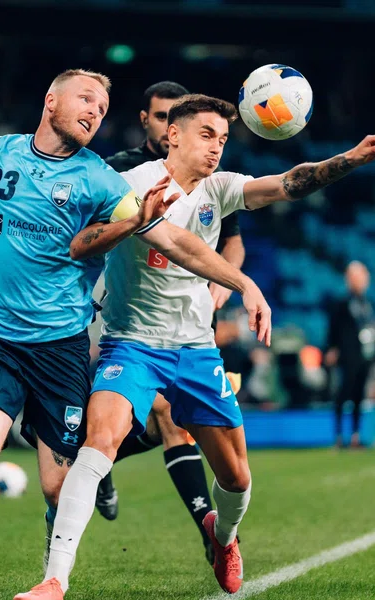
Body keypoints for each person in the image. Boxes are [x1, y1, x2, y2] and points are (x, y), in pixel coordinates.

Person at [0, 70, 272, 600]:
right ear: (51, 101)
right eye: (86, 99)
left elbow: (174, 241)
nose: (95, 110)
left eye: (103, 106)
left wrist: (240, 282)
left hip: (62, 348)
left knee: (56, 486)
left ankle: (53, 569)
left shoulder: (102, 180)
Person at [14, 95, 375, 600]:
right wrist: (241, 283)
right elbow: (97, 239)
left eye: (222, 138)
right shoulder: (131, 183)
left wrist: (348, 159)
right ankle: (55, 580)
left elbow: (288, 183)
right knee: (99, 440)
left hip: (197, 349)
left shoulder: (220, 188)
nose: (216, 147)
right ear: (172, 135)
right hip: (131, 344)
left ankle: (223, 536)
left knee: (236, 478)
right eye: (206, 135)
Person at [95, 81, 247, 563]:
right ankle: (95, 463)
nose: (166, 127)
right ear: (150, 121)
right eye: (160, 118)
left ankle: (211, 532)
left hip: (187, 326)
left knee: (172, 424)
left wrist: (226, 281)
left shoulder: (207, 178)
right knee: (156, 420)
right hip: (124, 318)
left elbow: (230, 241)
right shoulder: (120, 171)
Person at [325, 261, 375, 448]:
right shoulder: (342, 304)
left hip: (365, 355)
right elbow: (333, 329)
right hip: (347, 355)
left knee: (359, 395)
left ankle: (355, 436)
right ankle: (338, 436)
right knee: (343, 393)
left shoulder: (368, 304)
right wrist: (331, 348)